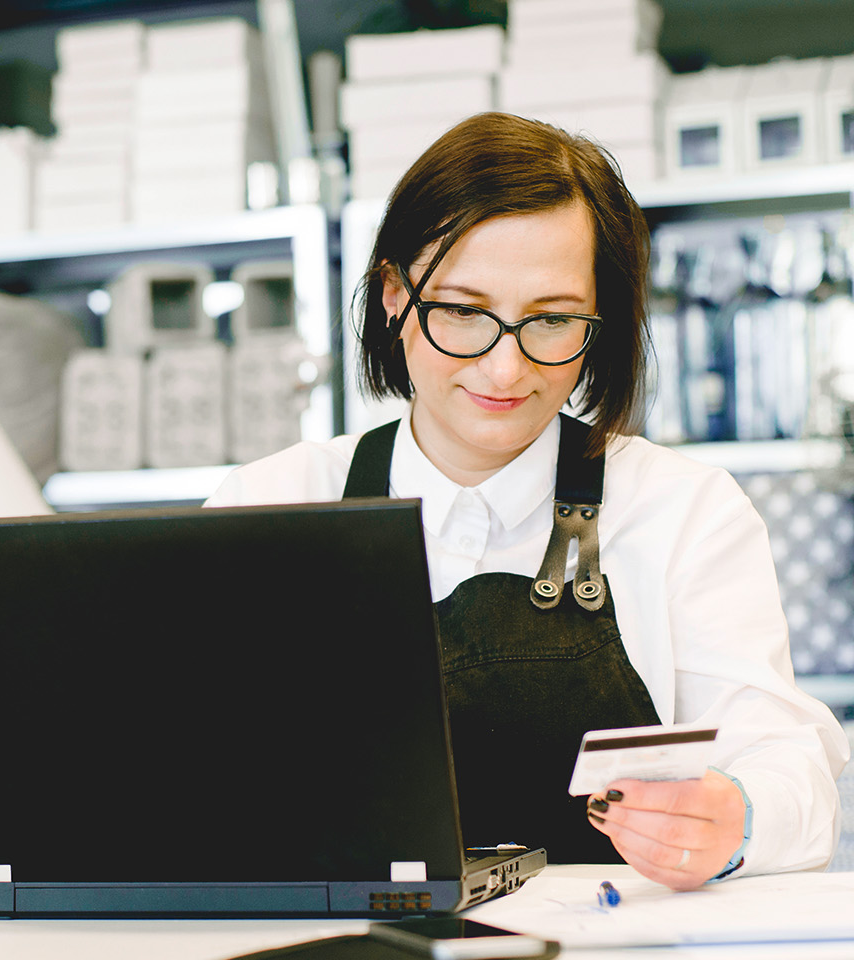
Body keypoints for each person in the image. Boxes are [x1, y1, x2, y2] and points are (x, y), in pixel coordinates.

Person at [208, 112, 847, 889]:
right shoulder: (270, 504)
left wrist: (738, 816)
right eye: (465, 312)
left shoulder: (682, 510)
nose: (506, 370)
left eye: (551, 320)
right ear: (391, 298)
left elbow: (791, 765)